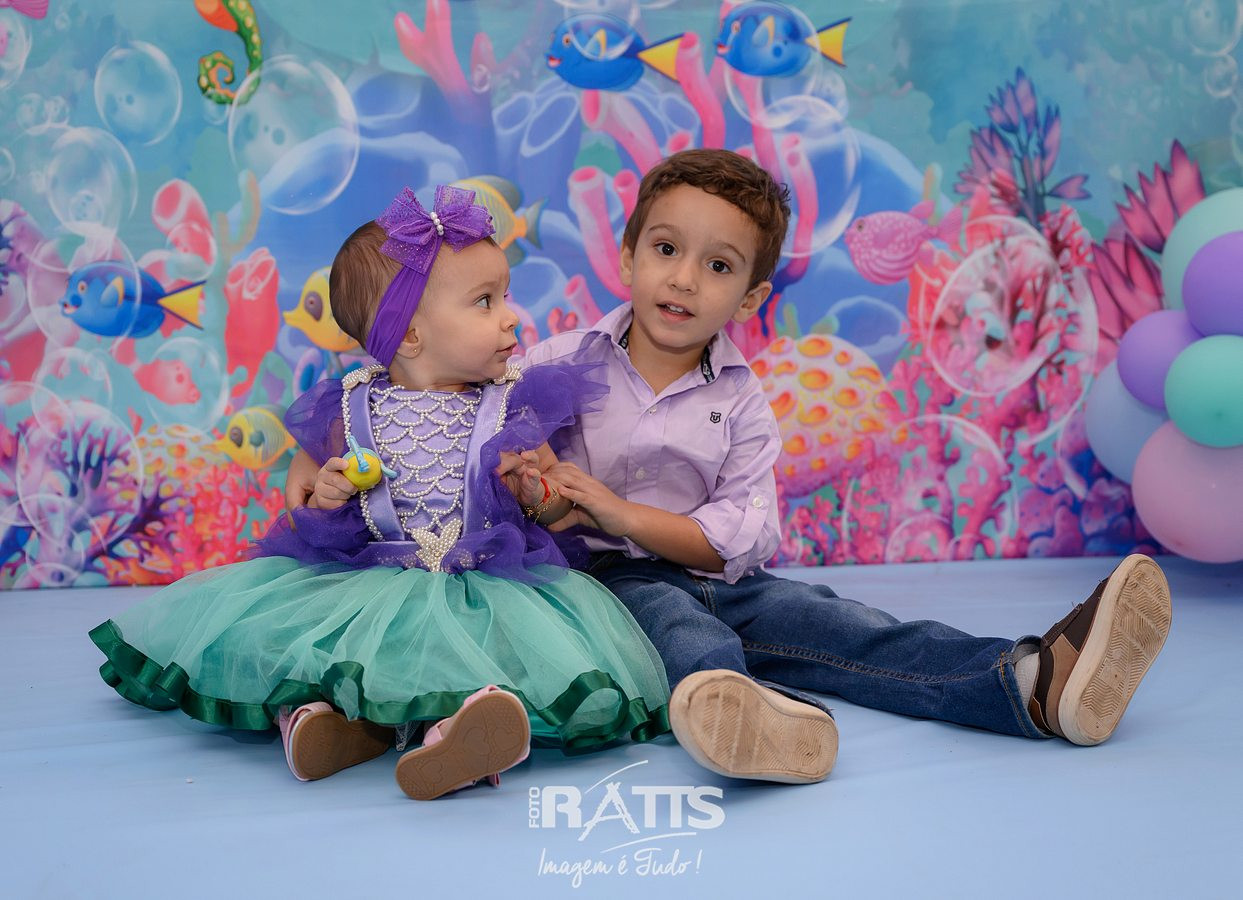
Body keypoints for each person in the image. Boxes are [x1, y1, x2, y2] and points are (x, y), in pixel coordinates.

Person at [515, 148, 1174, 783]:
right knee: (676, 625)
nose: (684, 278)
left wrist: (625, 513)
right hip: (606, 582)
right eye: (666, 250)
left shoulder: (742, 401)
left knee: (833, 620)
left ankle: (1032, 682)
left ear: (749, 299)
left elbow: (734, 539)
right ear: (627, 256)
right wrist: (542, 493)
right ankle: (745, 712)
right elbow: (515, 470)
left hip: (717, 575)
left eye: (718, 266)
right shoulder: (557, 363)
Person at [90, 184, 670, 801]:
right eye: (485, 301)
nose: (510, 317)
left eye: (505, 296)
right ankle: (328, 724)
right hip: (373, 580)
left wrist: (536, 491)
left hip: (482, 582)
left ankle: (460, 734)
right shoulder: (351, 406)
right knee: (325, 645)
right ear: (411, 336)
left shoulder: (510, 406)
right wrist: (328, 493)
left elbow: (555, 510)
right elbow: (307, 505)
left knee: (477, 649)